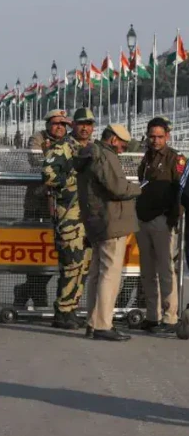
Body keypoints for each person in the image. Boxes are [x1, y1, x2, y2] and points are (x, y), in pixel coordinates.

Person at [79, 124, 142, 341]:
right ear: (114, 140)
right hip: (110, 223)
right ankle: (103, 325)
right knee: (110, 275)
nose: (123, 150)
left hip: (97, 222)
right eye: (123, 145)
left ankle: (93, 322)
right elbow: (118, 187)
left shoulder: (91, 154)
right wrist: (139, 188)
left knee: (97, 274)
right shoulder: (106, 156)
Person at [41, 108, 94, 328]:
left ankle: (71, 307)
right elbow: (49, 175)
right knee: (71, 263)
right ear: (74, 126)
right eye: (81, 123)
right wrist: (73, 182)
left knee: (84, 265)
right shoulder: (62, 148)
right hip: (70, 213)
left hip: (89, 215)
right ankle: (62, 311)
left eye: (89, 124)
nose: (85, 128)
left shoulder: (92, 148)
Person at [134, 117, 185, 334]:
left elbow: (182, 192)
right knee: (147, 271)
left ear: (167, 137)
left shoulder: (176, 159)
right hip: (144, 219)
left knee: (165, 270)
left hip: (163, 221)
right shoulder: (147, 158)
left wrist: (173, 219)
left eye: (159, 137)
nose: (155, 141)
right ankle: (152, 315)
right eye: (152, 136)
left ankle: (170, 316)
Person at [15, 109, 69, 312]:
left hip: (62, 206)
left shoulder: (68, 141)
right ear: (47, 125)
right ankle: (35, 293)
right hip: (37, 205)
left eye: (63, 124)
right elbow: (35, 160)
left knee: (56, 255)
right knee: (35, 254)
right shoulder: (37, 138)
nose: (60, 127)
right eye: (56, 123)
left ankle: (27, 291)